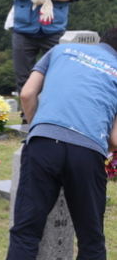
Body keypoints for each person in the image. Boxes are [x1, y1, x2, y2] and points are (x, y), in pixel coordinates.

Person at [7, 28, 117, 260]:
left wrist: (40, 127)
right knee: (91, 240)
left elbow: (27, 94)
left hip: (44, 142)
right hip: (87, 152)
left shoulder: (61, 49)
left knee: (25, 232)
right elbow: (115, 139)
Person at [3, 0, 85, 101]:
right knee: (23, 79)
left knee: (56, 77)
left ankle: (50, 118)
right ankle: (26, 119)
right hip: (24, 29)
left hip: (55, 29)